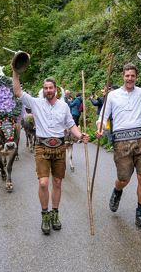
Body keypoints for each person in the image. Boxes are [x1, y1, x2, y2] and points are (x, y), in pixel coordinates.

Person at [96, 52, 141, 233]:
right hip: (121, 142)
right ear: (123, 76)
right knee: (124, 179)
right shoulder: (112, 96)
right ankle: (117, 190)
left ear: (136, 77)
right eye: (127, 76)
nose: (130, 78)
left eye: (132, 76)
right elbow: (103, 116)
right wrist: (100, 128)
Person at [13, 73, 89, 235]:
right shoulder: (35, 103)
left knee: (58, 183)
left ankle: (55, 214)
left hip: (60, 148)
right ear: (43, 90)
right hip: (42, 147)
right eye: (46, 88)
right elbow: (18, 91)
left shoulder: (64, 106)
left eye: (51, 88)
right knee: (43, 183)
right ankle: (45, 215)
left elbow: (71, 125)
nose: (48, 90)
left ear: (55, 89)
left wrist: (80, 135)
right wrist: (16, 72)